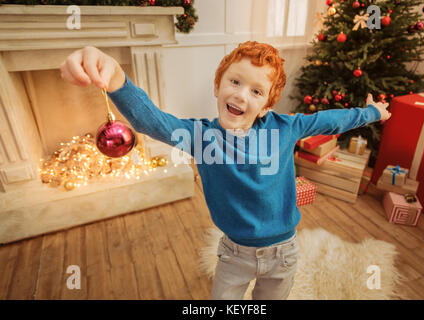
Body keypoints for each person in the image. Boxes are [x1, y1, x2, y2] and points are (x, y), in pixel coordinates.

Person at [60, 41, 391, 300]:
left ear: (267, 106)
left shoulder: (285, 127)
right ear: (218, 86)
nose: (241, 94)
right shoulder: (201, 137)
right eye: (235, 81)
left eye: (256, 91)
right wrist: (117, 77)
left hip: (285, 253)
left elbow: (330, 119)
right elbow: (152, 121)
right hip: (235, 254)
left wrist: (372, 112)